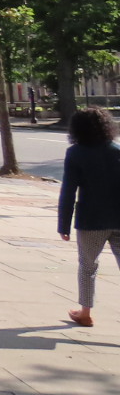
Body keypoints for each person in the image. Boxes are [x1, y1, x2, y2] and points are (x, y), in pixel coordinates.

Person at [57, 107, 120, 327]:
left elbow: (68, 190)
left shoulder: (75, 153)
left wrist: (63, 224)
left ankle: (85, 313)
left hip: (91, 221)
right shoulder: (117, 150)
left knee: (88, 266)